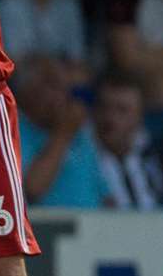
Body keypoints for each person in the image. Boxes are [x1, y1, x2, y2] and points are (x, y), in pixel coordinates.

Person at [15, 56, 106, 208]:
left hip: (93, 227)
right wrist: (63, 134)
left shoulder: (81, 134)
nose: (74, 102)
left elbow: (104, 194)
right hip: (47, 229)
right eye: (52, 85)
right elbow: (31, 191)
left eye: (82, 94)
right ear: (31, 88)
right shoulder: (11, 128)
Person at [93, 72, 163, 210]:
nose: (110, 118)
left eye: (122, 110)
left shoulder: (160, 152)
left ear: (139, 115)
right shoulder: (80, 157)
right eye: (104, 107)